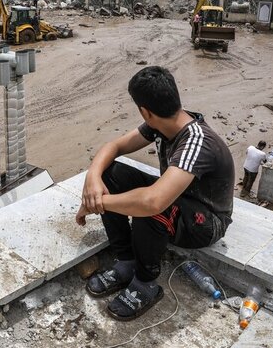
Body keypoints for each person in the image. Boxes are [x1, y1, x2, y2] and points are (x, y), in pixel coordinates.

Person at [75, 66, 234, 321]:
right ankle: (126, 261)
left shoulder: (197, 141)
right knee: (111, 174)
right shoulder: (162, 123)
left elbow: (153, 201)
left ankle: (145, 281)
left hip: (207, 222)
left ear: (145, 111)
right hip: (179, 201)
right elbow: (115, 146)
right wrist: (93, 178)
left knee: (152, 206)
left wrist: (97, 204)